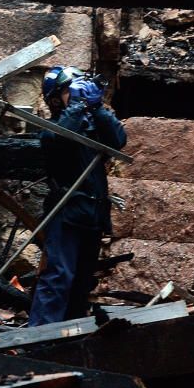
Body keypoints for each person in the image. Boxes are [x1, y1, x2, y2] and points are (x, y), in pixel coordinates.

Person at [29, 66, 127, 327]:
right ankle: (38, 340)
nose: (77, 92)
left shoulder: (92, 127)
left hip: (93, 214)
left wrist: (97, 108)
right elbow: (60, 141)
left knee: (82, 282)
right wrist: (75, 107)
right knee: (59, 277)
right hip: (67, 212)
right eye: (68, 90)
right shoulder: (50, 129)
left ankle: (69, 339)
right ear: (54, 98)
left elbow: (118, 140)